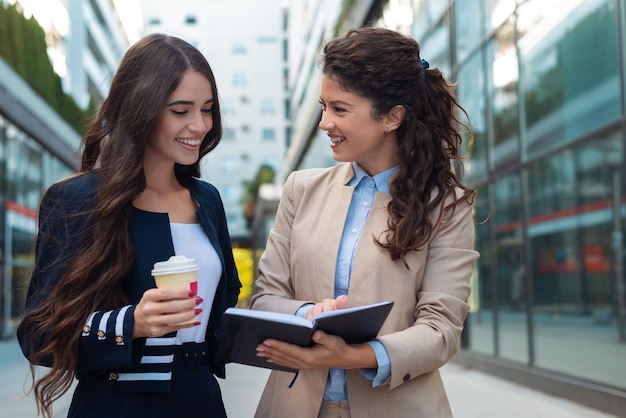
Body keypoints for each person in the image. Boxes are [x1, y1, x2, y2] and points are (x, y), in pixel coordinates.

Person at [249, 26, 479, 417]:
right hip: (294, 405)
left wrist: (354, 355)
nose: (325, 123)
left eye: (340, 109)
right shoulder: (299, 190)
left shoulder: (446, 206)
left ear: (392, 117)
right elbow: (265, 297)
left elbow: (440, 330)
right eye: (324, 107)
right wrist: (309, 315)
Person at [17, 33, 241, 418]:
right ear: (142, 109)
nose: (200, 125)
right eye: (180, 110)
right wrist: (131, 323)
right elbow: (38, 334)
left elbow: (226, 305)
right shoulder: (78, 200)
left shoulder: (207, 200)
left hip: (201, 399)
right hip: (117, 405)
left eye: (207, 109)